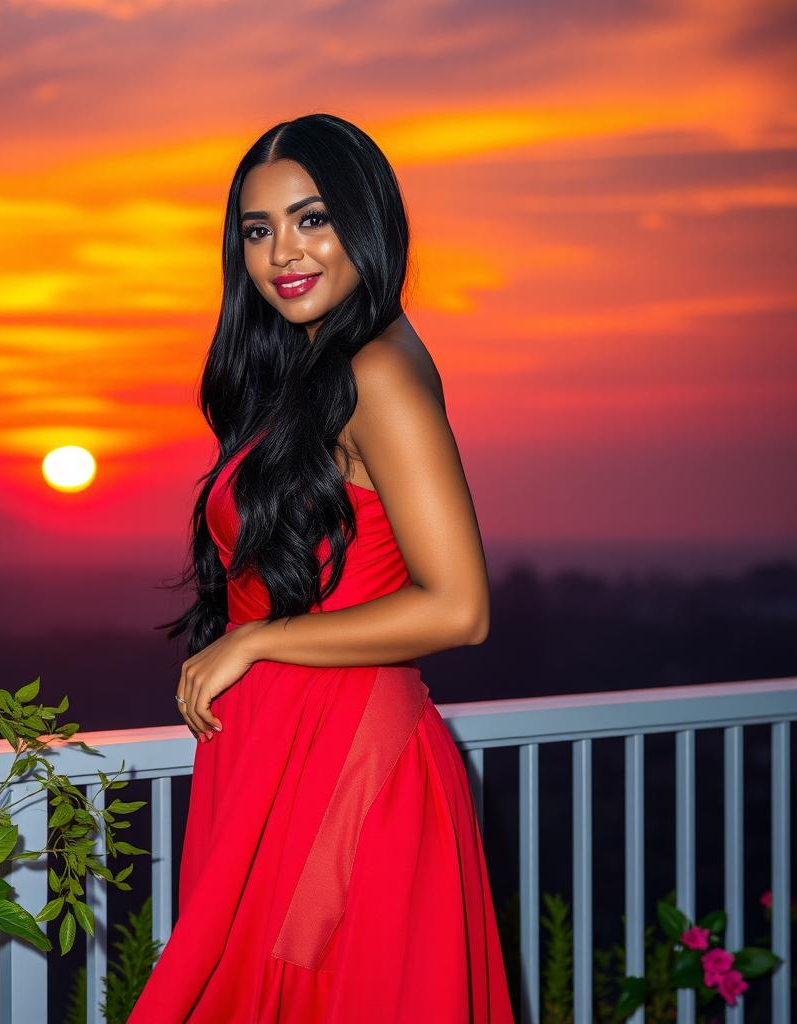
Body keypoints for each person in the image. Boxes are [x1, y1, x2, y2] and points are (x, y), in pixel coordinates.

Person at [128, 113, 515, 1023]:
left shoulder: (376, 370)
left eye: (312, 218)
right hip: (277, 749)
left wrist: (258, 640)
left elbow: (460, 607)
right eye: (258, 230)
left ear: (366, 219)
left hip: (345, 764)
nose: (281, 253)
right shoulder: (313, 361)